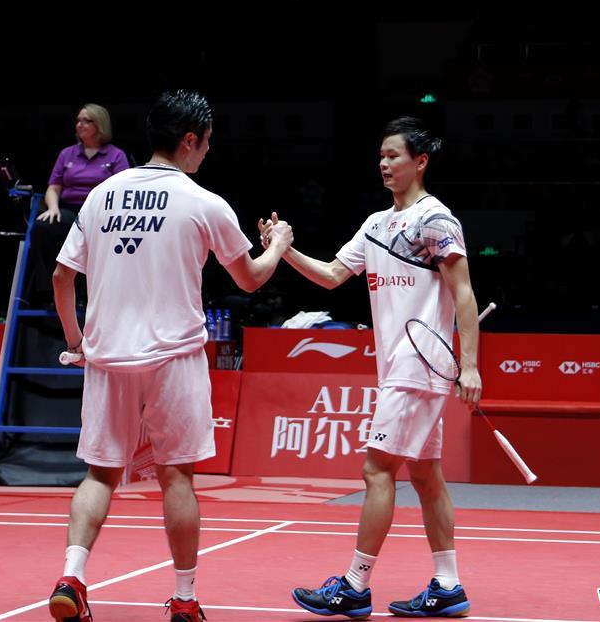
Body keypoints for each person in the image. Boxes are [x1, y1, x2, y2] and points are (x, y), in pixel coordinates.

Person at [48, 90, 293, 622]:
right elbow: (250, 278)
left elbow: (62, 275)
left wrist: (75, 340)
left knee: (99, 476)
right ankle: (184, 597)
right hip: (174, 359)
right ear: (190, 140)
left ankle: (72, 576)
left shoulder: (102, 195)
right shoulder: (203, 201)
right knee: (176, 477)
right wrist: (279, 244)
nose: (206, 153)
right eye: (205, 144)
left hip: (108, 359)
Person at [269, 116, 482, 619]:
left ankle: (355, 585)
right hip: (397, 369)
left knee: (376, 469)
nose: (385, 164)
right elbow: (331, 276)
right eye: (381, 156)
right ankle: (448, 585)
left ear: (420, 161)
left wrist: (469, 365)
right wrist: (283, 249)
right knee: (426, 476)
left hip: (419, 364)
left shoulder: (435, 220)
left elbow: (465, 294)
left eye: (394, 156)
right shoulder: (376, 223)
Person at [30, 103, 130, 305]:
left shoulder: (116, 156)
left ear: (100, 125)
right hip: (70, 210)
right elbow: (54, 187)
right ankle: (50, 291)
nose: (80, 124)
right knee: (44, 227)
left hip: (101, 214)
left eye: (87, 120)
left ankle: (91, 295)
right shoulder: (67, 154)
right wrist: (53, 207)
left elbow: (124, 190)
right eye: (78, 120)